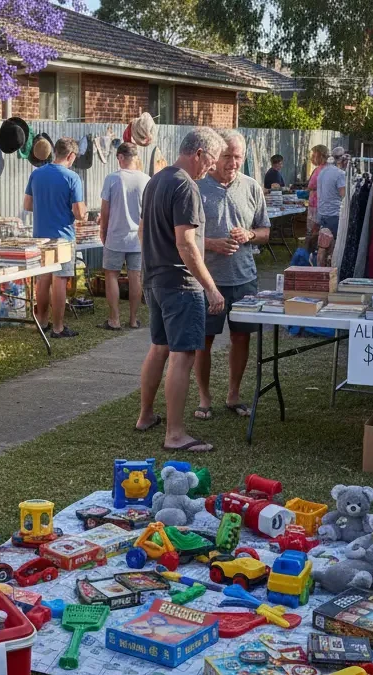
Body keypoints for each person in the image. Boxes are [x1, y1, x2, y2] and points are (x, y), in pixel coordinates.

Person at [135, 127, 226, 453]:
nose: (211, 168)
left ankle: (146, 415)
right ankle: (175, 434)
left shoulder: (157, 180)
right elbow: (187, 244)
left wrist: (149, 271)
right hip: (180, 285)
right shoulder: (186, 186)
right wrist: (211, 288)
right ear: (198, 154)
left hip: (156, 279)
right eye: (211, 161)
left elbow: (143, 231)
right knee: (182, 356)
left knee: (158, 347)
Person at [193, 130, 271, 420]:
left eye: (238, 157)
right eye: (227, 156)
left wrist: (250, 234)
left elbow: (265, 231)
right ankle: (204, 398)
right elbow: (182, 237)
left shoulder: (251, 187)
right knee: (204, 340)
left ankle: (233, 395)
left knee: (241, 338)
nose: (233, 162)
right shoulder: (197, 187)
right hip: (208, 280)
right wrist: (211, 243)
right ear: (215, 157)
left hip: (244, 278)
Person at [24, 136, 87, 338]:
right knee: (59, 281)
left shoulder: (37, 174)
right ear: (70, 155)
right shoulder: (72, 177)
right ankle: (59, 327)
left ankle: (42, 321)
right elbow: (78, 213)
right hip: (63, 237)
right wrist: (82, 213)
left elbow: (27, 205)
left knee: (43, 280)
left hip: (40, 237)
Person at [99, 143, 150, 330]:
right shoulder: (146, 179)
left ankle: (114, 319)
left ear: (120, 157)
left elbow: (105, 210)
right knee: (135, 277)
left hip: (115, 236)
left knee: (111, 275)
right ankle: (134, 319)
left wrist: (102, 231)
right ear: (135, 157)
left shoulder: (112, 178)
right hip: (138, 238)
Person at [315, 146, 347, 265]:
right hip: (335, 214)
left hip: (322, 213)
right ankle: (331, 273)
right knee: (335, 247)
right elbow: (344, 196)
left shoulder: (323, 171)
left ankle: (319, 272)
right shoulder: (340, 174)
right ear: (342, 159)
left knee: (323, 245)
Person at [305, 144, 329, 252]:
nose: (312, 158)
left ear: (319, 155)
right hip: (322, 203)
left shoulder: (320, 169)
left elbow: (311, 186)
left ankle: (309, 252)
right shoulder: (329, 168)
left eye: (314, 155)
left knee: (313, 229)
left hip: (316, 204)